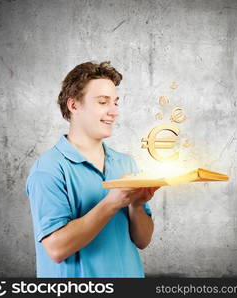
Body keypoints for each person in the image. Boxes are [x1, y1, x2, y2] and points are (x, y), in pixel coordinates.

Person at [26, 61, 159, 278]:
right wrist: (113, 202)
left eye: (116, 102)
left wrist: (137, 204)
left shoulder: (126, 163)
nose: (114, 111)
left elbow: (142, 241)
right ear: (74, 106)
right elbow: (56, 249)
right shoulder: (49, 169)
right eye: (103, 102)